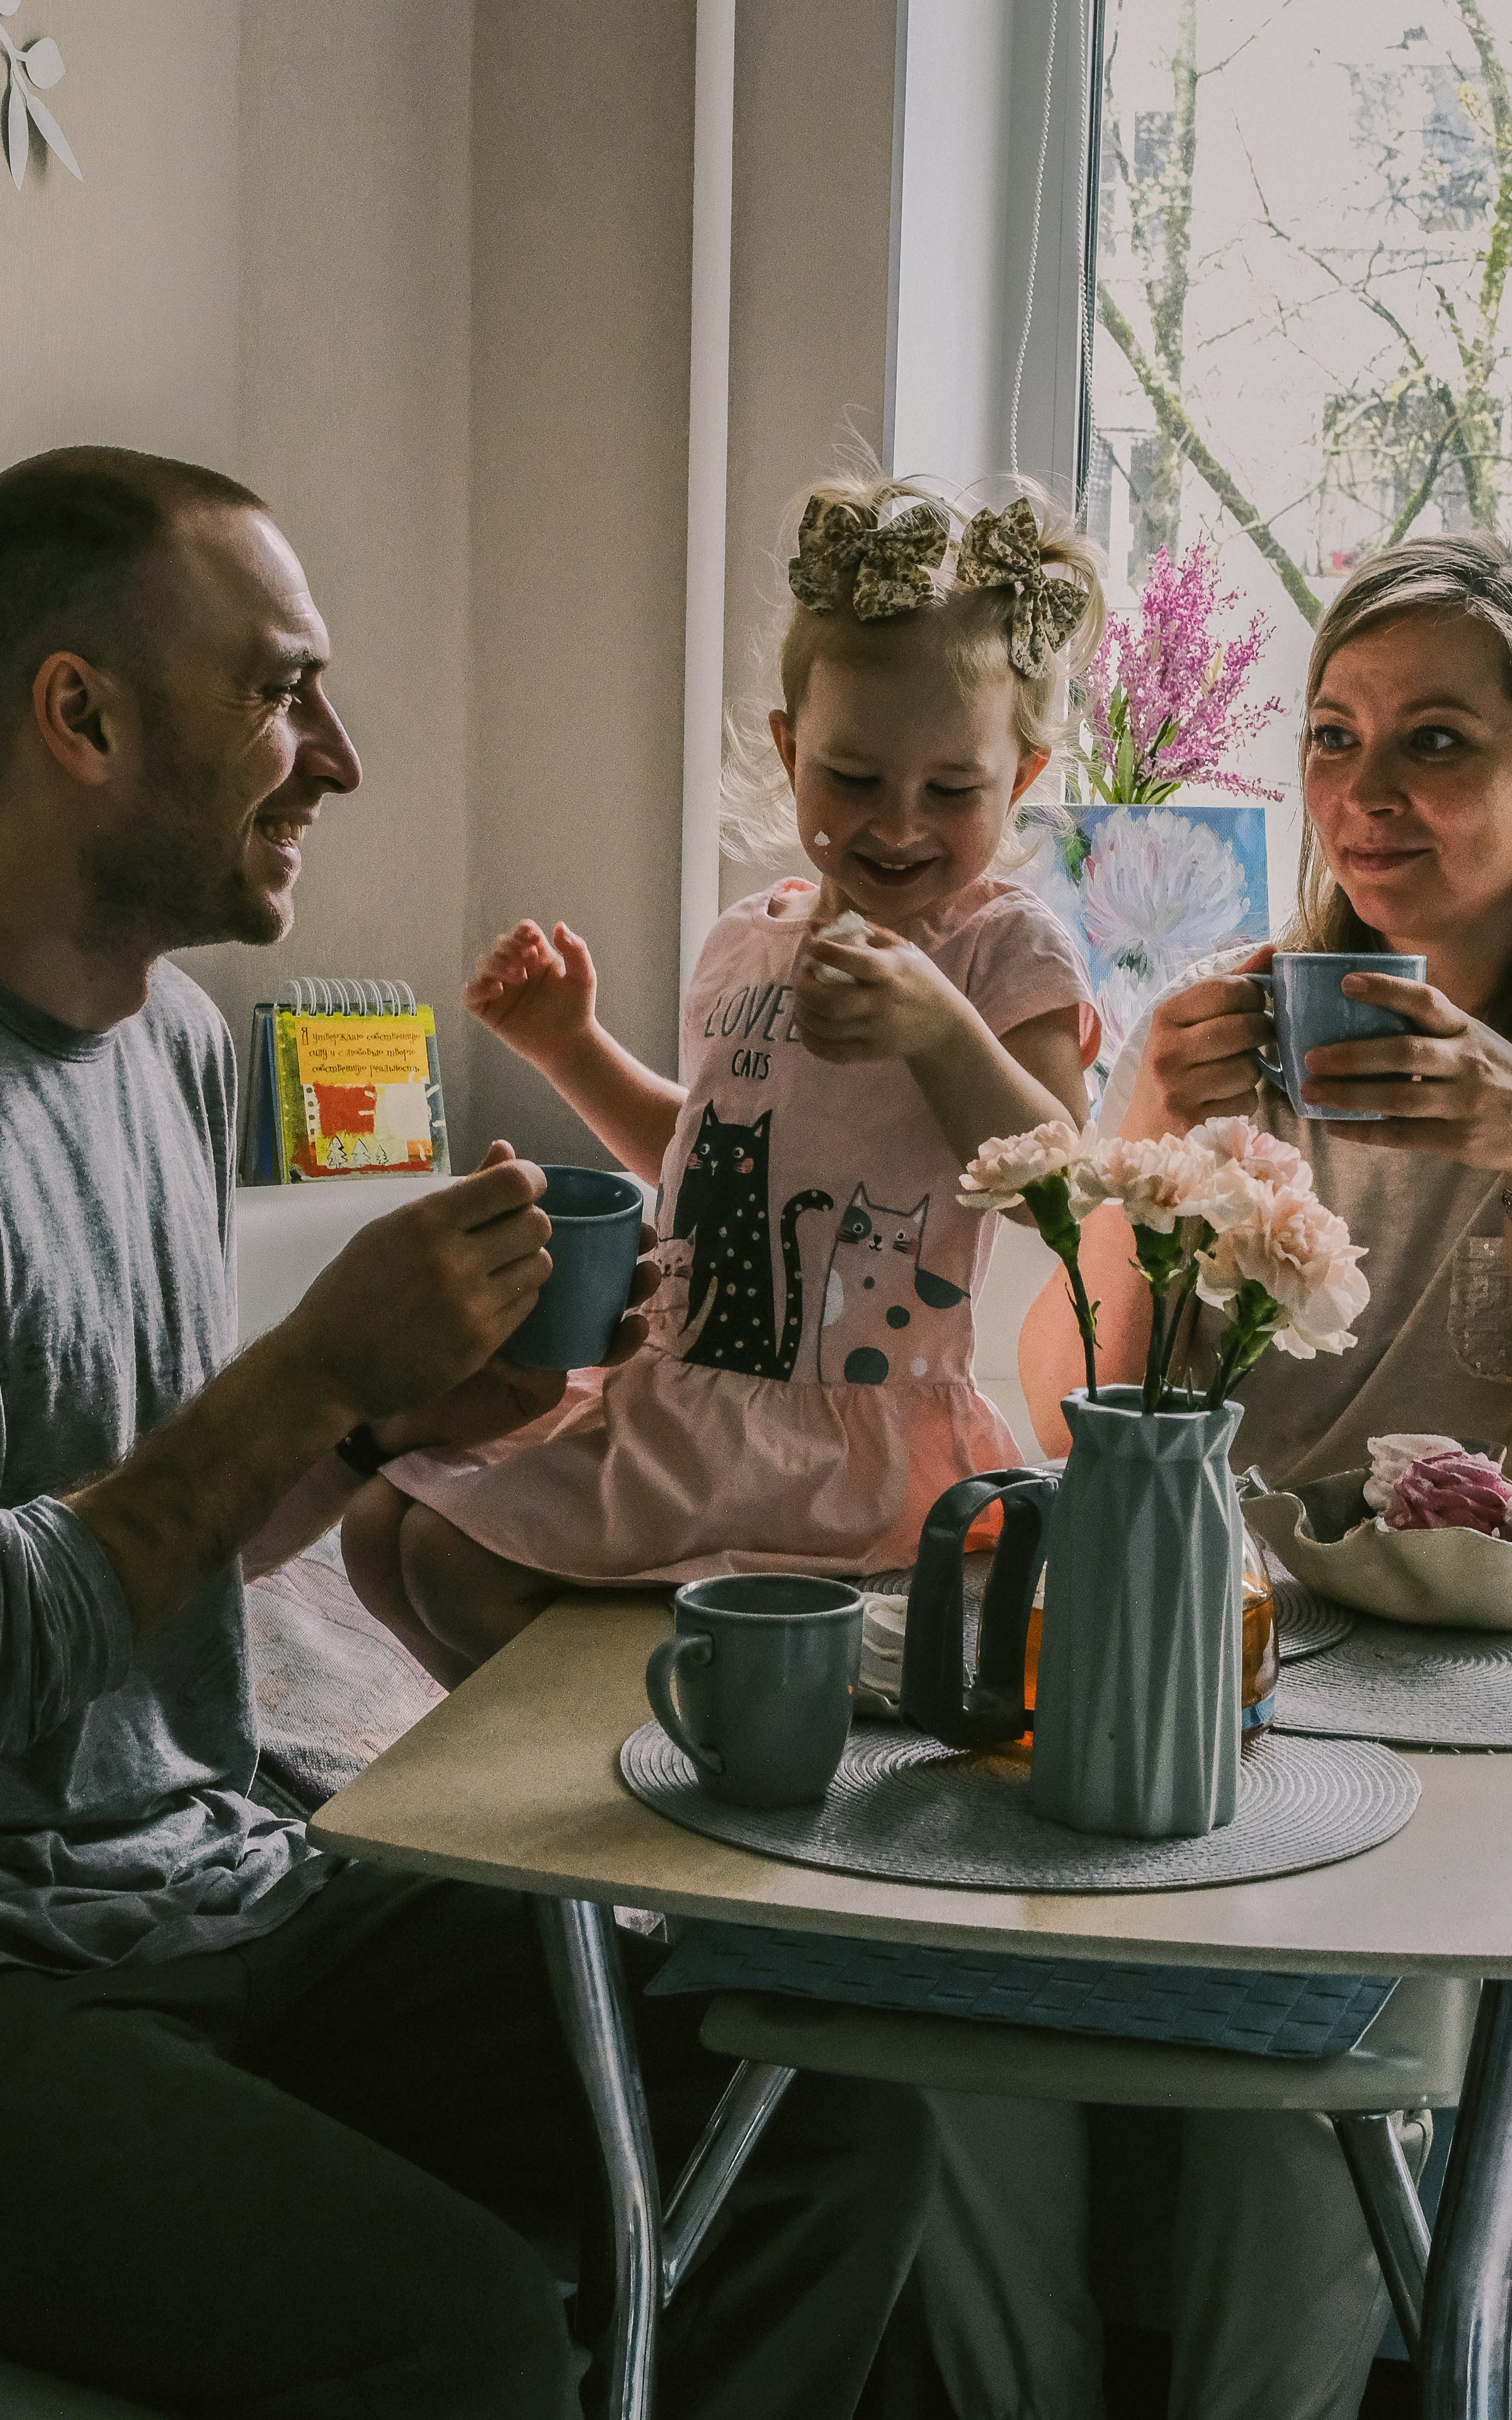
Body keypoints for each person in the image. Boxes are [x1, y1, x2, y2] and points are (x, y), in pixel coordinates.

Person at [0, 444, 936, 2418]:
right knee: (473, 2333)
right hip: (26, 1981)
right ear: (80, 715)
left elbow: (160, 1561)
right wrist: (310, 1374)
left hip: (221, 1884)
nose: (338, 757)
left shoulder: (173, 1047)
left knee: (824, 2111)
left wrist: (383, 1427)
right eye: (281, 691)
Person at [1002, 534, 1512, 2417]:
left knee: (1306, 2069)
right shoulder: (1245, 1028)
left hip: (1487, 1693)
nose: (1364, 793)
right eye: (1335, 737)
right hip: (1218, 1653)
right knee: (932, 2053)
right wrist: (1139, 1131)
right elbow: (1073, 1407)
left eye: (1437, 742)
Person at [342, 472, 1104, 1682]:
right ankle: (623, 1759)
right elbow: (703, 1160)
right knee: (380, 1531)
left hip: (837, 1441)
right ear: (791, 752)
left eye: (952, 789)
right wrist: (568, 1046)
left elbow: (1063, 1182)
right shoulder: (747, 942)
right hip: (689, 1397)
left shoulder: (1001, 948)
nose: (898, 822)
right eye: (853, 777)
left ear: (1017, 780)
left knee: (447, 1558)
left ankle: (679, 1730)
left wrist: (939, 1027)